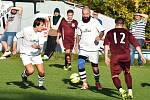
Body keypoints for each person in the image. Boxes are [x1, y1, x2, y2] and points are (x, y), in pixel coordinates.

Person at [104, 17, 146, 99]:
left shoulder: (110, 32)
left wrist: (106, 57)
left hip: (115, 56)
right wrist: (141, 55)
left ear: (115, 23)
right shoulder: (127, 32)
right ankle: (130, 91)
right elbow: (136, 44)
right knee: (127, 72)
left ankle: (121, 90)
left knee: (115, 75)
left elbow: (106, 45)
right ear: (123, 24)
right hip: (126, 56)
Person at [76, 6, 104, 90]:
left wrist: (99, 37)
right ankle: (84, 83)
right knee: (80, 64)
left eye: (87, 14)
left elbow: (102, 31)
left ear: (89, 13)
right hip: (83, 48)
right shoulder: (80, 23)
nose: (85, 16)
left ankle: (97, 82)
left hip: (93, 48)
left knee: (95, 68)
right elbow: (78, 34)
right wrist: (77, 44)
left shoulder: (95, 22)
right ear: (82, 14)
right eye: (84, 14)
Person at [13, 18, 46, 90]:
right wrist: (14, 49)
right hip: (25, 54)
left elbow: (41, 47)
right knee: (31, 71)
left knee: (42, 72)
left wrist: (37, 47)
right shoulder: (26, 30)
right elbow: (16, 37)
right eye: (42, 25)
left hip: (36, 54)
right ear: (36, 25)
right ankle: (24, 75)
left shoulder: (42, 33)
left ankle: (40, 86)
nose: (43, 27)